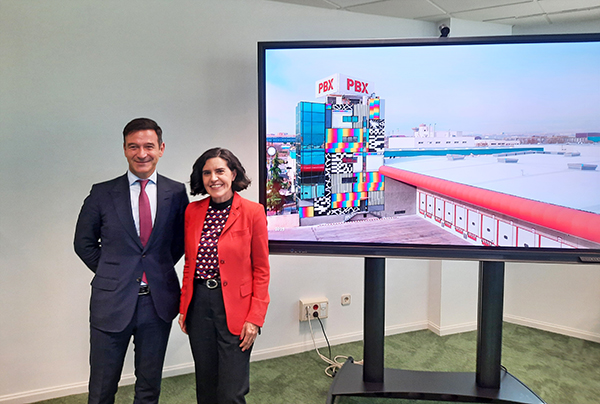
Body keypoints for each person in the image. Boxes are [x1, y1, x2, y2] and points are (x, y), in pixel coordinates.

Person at [74, 118, 189, 404]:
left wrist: (154, 268)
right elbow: (83, 243)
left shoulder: (175, 192)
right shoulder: (102, 193)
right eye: (134, 146)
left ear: (161, 149)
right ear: (124, 149)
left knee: (149, 388)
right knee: (102, 388)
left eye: (149, 146)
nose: (142, 153)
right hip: (111, 302)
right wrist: (115, 272)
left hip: (157, 303)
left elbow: (179, 242)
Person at [179, 147, 270, 404]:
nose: (213, 178)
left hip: (236, 307)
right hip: (199, 303)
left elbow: (261, 269)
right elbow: (190, 263)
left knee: (231, 392)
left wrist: (255, 317)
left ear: (233, 173)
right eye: (207, 173)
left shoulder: (253, 212)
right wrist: (185, 306)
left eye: (220, 170)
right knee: (206, 385)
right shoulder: (193, 212)